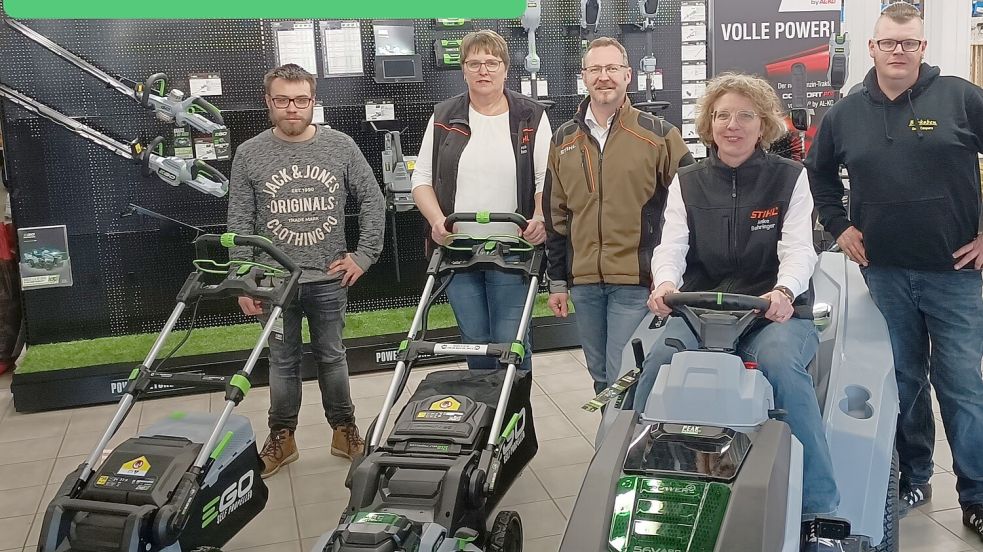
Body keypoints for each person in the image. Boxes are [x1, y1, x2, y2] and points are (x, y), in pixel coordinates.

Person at [635, 72, 840, 551]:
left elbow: (800, 250)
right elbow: (672, 246)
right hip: (701, 311)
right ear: (709, 124)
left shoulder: (790, 178)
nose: (733, 125)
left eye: (745, 116)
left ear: (763, 123)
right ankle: (641, 484)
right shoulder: (688, 182)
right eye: (723, 115)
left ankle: (818, 509)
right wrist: (665, 282)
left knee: (781, 369)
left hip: (774, 311)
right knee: (659, 366)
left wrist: (785, 291)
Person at [806, 2, 983, 537]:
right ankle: (914, 475)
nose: (898, 51)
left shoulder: (960, 97)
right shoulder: (844, 113)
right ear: (873, 47)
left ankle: (976, 494)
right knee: (903, 383)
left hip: (954, 274)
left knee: (961, 389)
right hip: (882, 273)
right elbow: (819, 177)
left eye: (909, 43)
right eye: (889, 42)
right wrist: (839, 227)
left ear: (923, 48)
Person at [227, 63, 386, 478]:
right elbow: (240, 222)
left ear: (313, 101)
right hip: (273, 284)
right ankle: (283, 437)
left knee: (332, 357)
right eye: (282, 100)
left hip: (329, 279)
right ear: (269, 102)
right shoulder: (250, 153)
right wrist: (244, 279)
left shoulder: (341, 146)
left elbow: (373, 199)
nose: (292, 108)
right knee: (282, 361)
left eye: (301, 100)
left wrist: (363, 255)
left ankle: (344, 429)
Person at [544, 37, 693, 396]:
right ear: (584, 77)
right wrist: (559, 282)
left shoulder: (659, 135)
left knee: (624, 373)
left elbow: (690, 206)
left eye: (612, 69)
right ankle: (613, 444)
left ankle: (623, 448)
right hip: (584, 284)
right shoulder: (564, 139)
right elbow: (556, 216)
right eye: (595, 69)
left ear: (628, 76)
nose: (604, 77)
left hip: (636, 280)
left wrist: (668, 276)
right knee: (600, 375)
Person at [411, 30, 550, 370]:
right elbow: (422, 179)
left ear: (505, 68)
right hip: (459, 251)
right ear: (463, 70)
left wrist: (539, 218)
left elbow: (547, 179)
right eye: (474, 63)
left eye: (492, 62)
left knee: (510, 346)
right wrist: (435, 222)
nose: (483, 70)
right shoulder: (444, 115)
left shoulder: (530, 116)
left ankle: (514, 419)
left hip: (513, 251)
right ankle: (484, 419)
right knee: (475, 344)